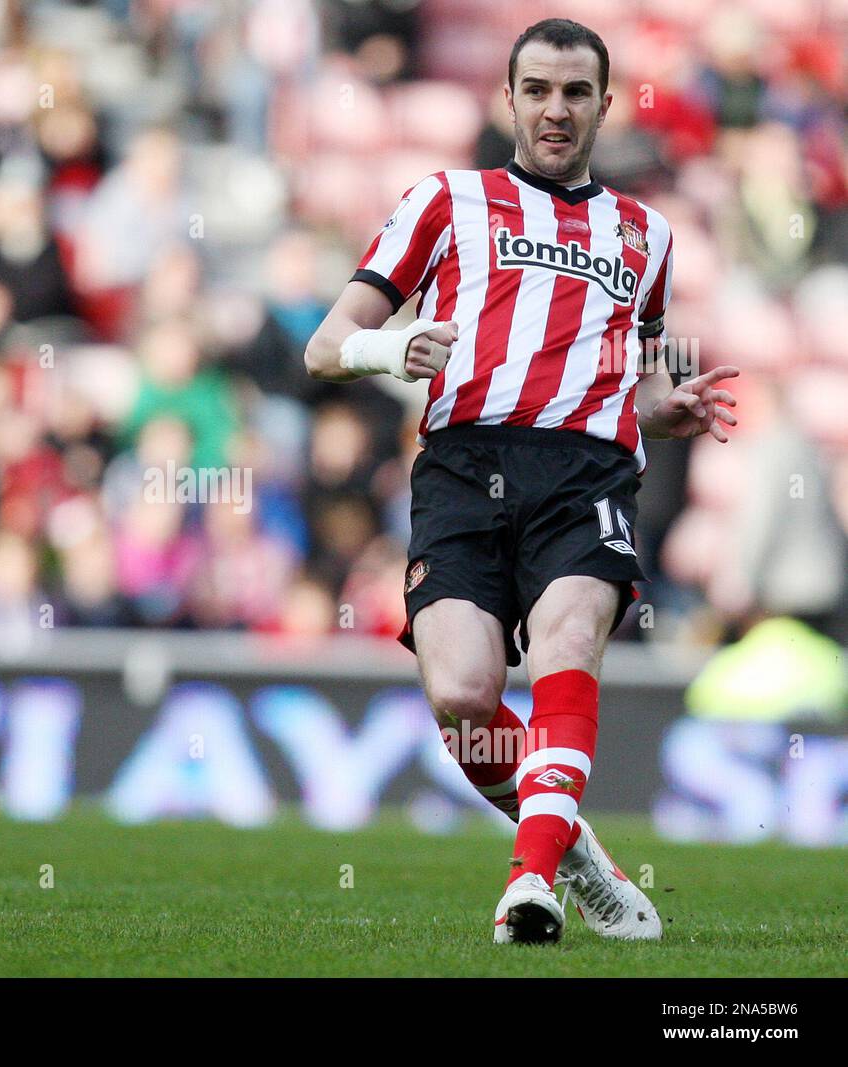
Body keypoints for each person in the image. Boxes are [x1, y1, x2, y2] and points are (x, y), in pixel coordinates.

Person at [305, 18, 740, 944]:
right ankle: (575, 848)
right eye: (537, 89)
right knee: (462, 695)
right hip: (464, 466)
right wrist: (392, 345)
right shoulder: (445, 201)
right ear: (509, 97)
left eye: (575, 92)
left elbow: (634, 377)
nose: (555, 109)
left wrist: (670, 407)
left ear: (603, 105)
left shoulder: (645, 235)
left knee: (566, 644)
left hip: (587, 473)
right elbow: (325, 344)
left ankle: (529, 884)